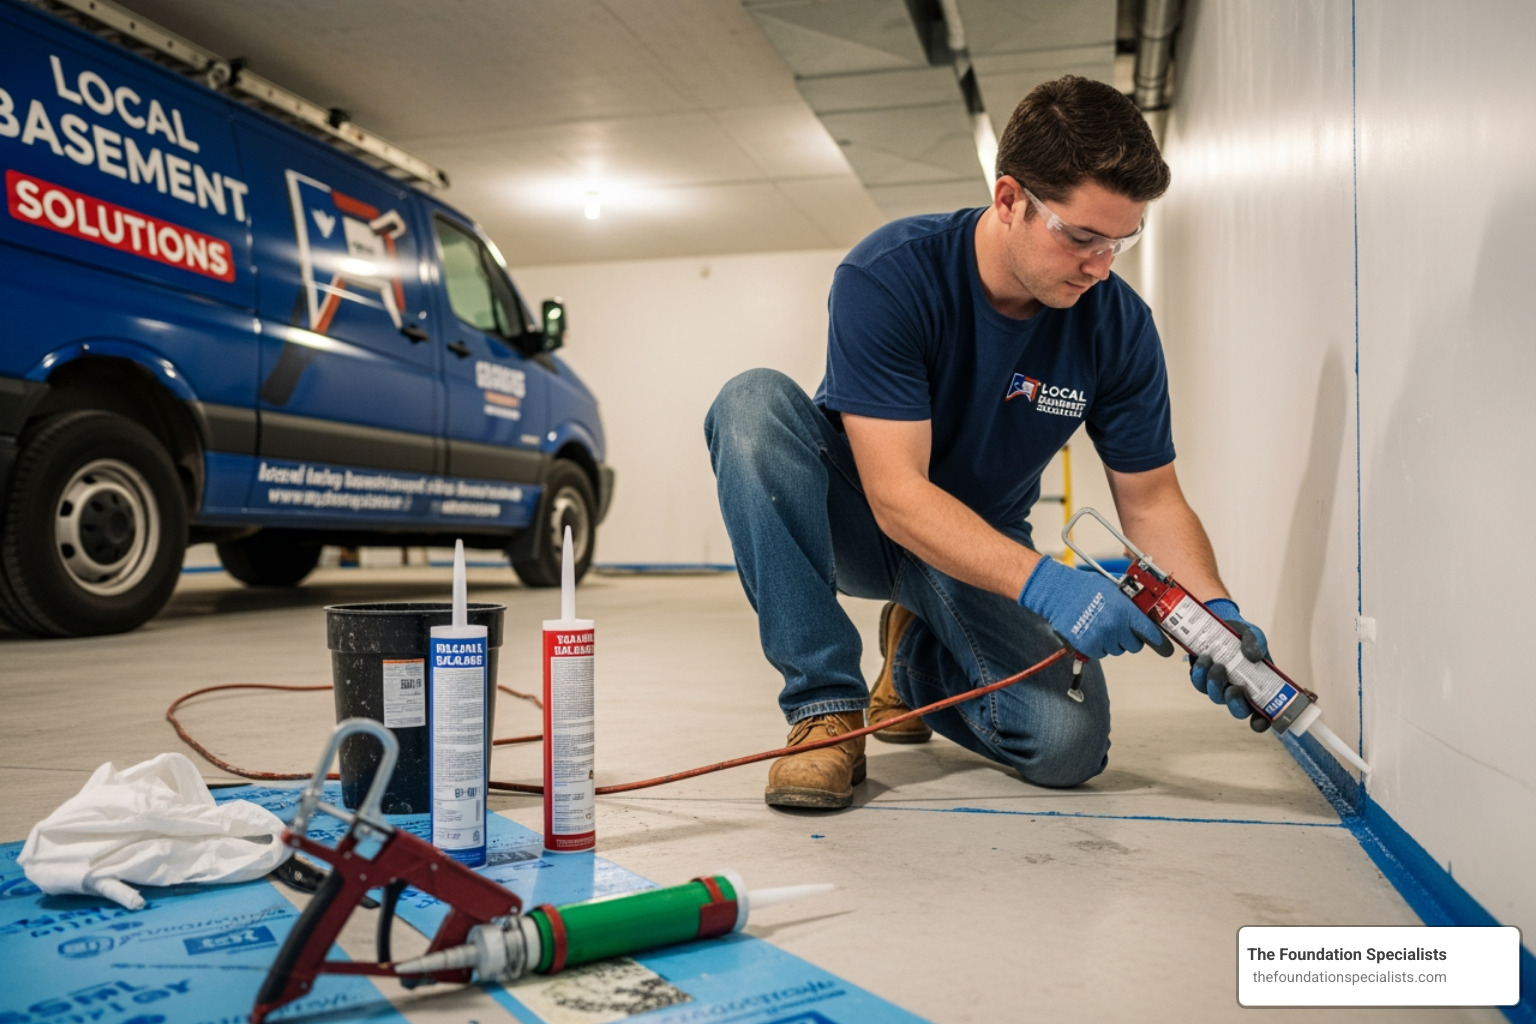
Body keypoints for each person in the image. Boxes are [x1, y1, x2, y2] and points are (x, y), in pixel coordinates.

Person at [704, 75, 1269, 810]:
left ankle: (912, 664)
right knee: (750, 404)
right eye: (1081, 236)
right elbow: (897, 495)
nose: (1101, 264)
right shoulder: (891, 275)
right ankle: (824, 711)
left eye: (1122, 240)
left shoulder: (1118, 324)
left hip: (982, 545)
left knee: (1068, 746)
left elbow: (1153, 498)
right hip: (866, 517)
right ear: (1009, 201)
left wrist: (1214, 614)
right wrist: (1050, 583)